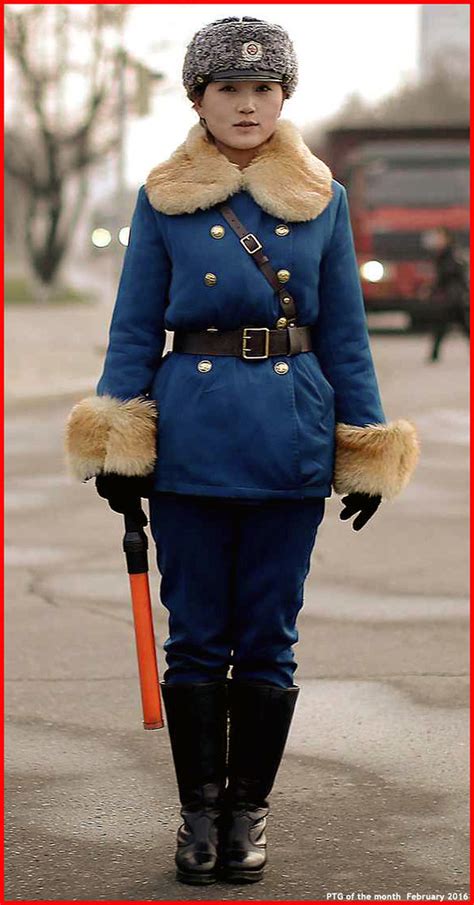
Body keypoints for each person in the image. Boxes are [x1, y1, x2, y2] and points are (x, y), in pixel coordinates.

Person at [65, 16, 420, 887]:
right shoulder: (161, 197)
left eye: (264, 88)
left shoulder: (322, 196)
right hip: (190, 438)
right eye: (230, 88)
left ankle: (247, 812)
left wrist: (365, 445)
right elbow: (135, 326)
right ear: (200, 99)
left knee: (268, 636)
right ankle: (197, 814)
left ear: (283, 97)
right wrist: (119, 437)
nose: (249, 103)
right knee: (197, 637)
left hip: (291, 441)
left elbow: (345, 335)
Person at [424, 226, 470, 362]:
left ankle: (434, 355)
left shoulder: (451, 254)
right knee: (447, 326)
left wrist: (432, 289)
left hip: (453, 297)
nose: (436, 240)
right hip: (450, 296)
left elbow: (450, 275)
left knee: (450, 326)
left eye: (439, 237)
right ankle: (434, 355)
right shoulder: (442, 254)